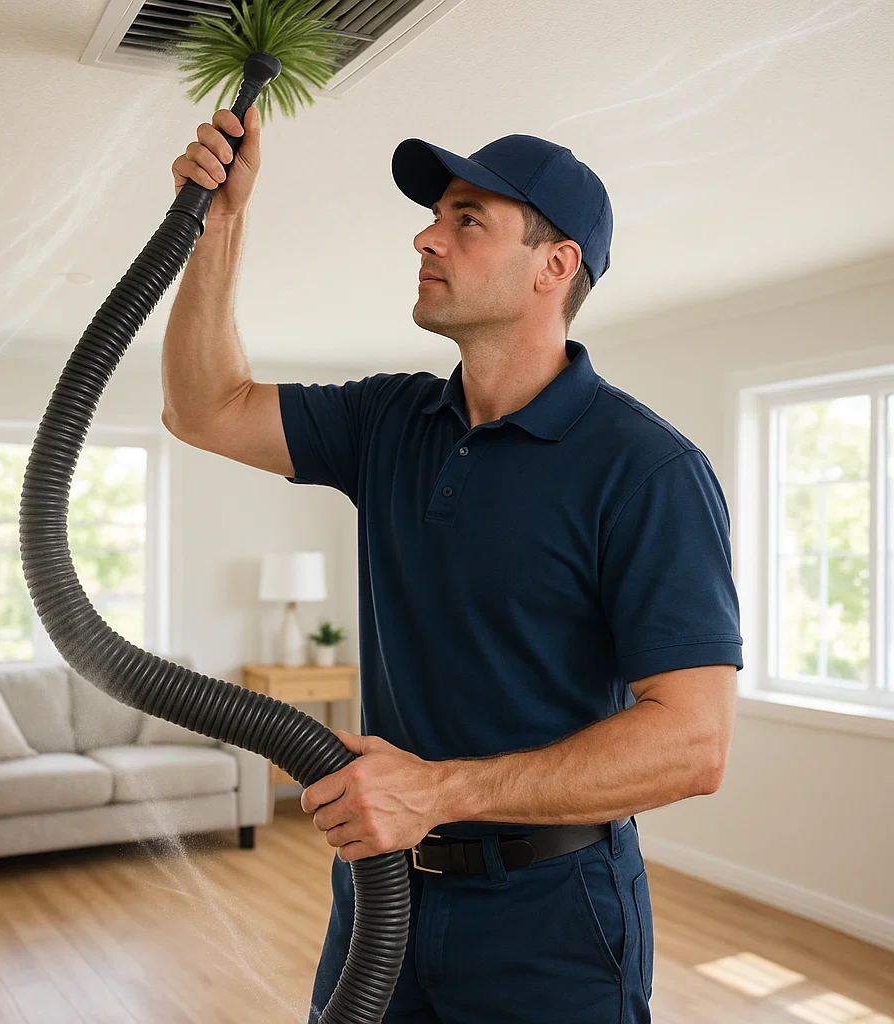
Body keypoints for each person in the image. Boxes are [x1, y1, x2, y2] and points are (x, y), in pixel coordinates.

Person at [164, 106, 742, 1024]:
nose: (426, 236)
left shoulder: (647, 470)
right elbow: (206, 407)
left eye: (467, 218)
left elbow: (693, 743)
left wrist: (435, 792)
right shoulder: (392, 422)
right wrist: (220, 221)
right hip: (380, 898)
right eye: (439, 214)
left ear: (558, 266)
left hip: (550, 920)